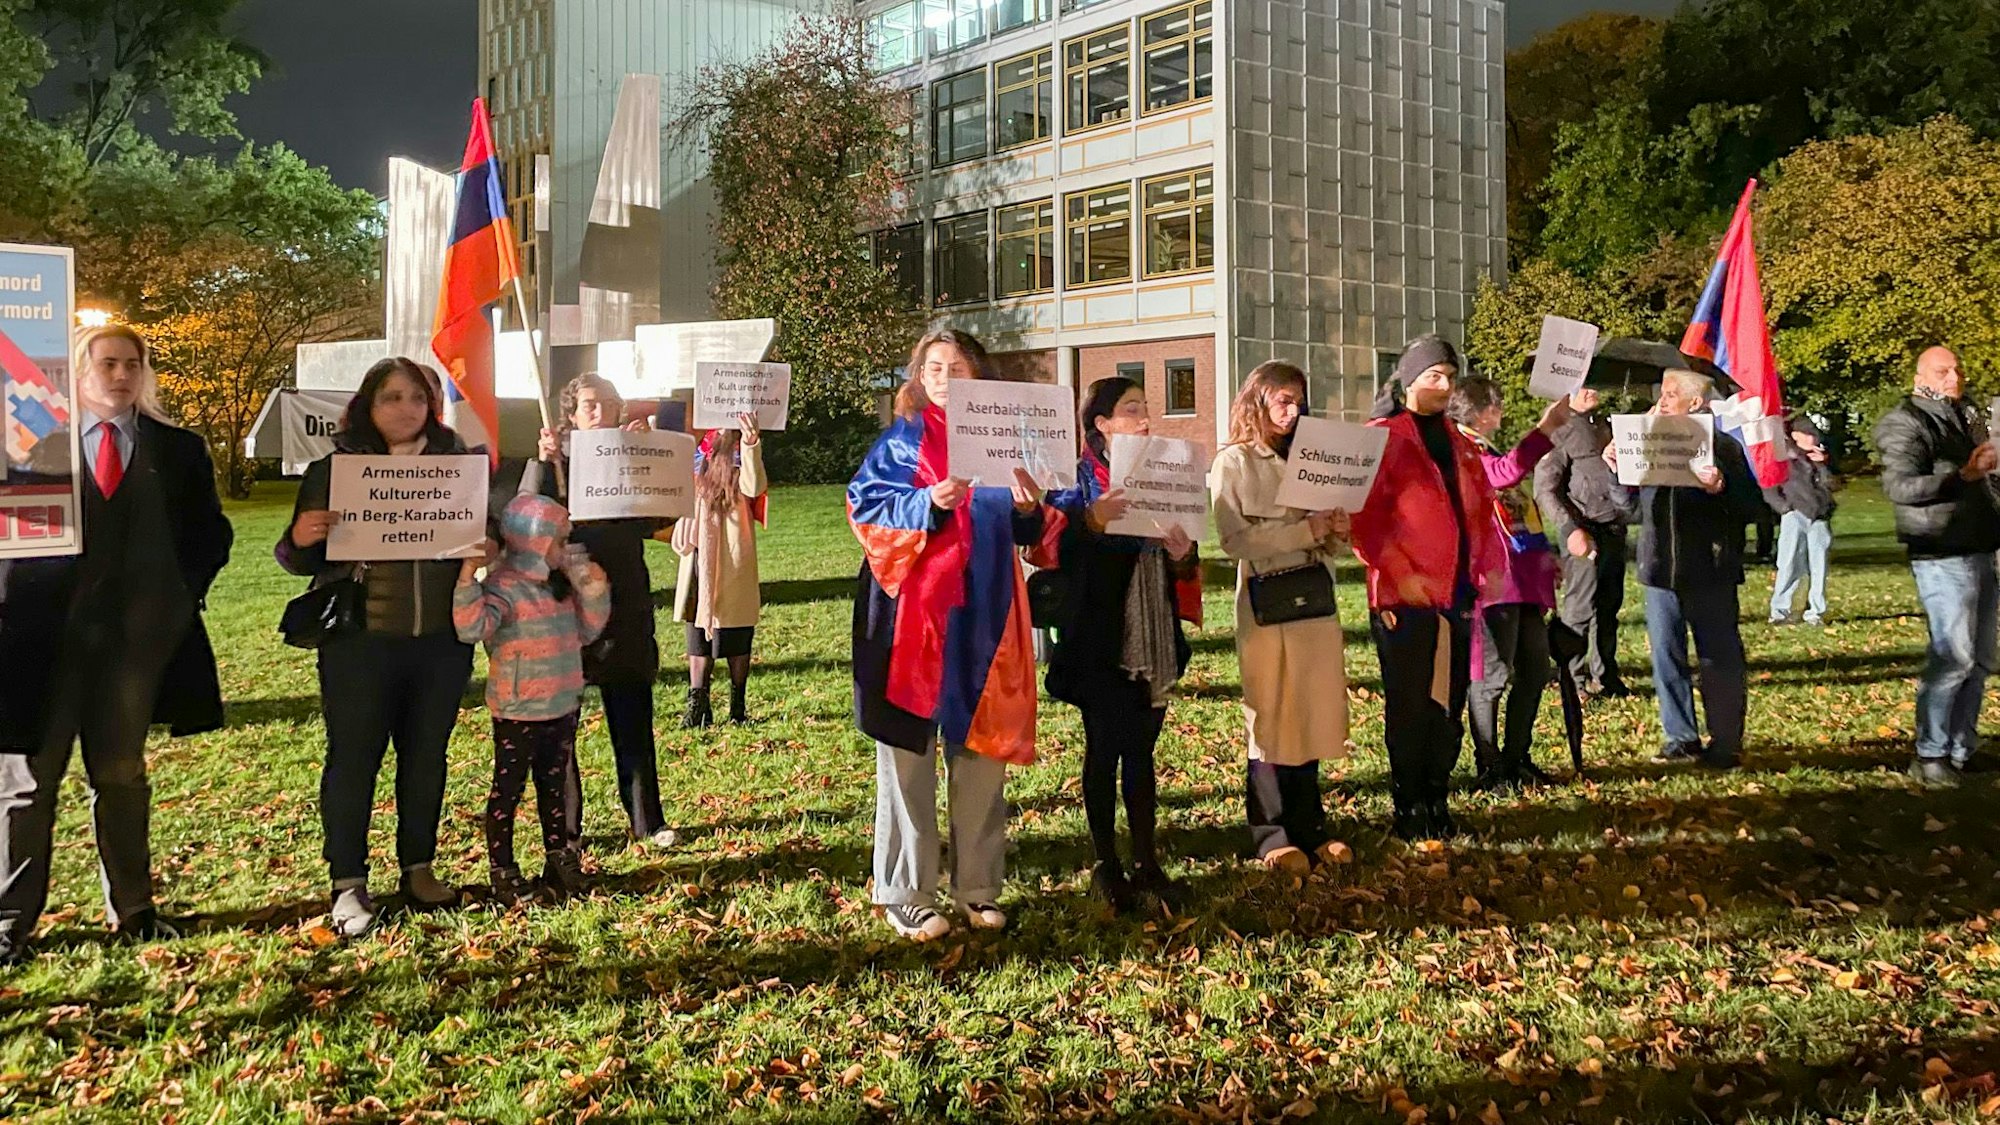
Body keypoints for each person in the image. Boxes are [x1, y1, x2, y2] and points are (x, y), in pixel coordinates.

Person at [0, 324, 232, 963]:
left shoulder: (178, 450)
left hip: (133, 654)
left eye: (133, 363)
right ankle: (9, 926)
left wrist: (182, 597)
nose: (121, 375)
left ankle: (134, 911)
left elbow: (211, 534)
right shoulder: (26, 443)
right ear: (78, 371)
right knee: (25, 786)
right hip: (37, 648)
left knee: (123, 778)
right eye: (107, 363)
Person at [849, 327, 1051, 941]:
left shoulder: (1008, 442)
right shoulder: (901, 443)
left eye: (957, 366)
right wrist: (928, 504)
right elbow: (865, 509)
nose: (944, 376)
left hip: (986, 615)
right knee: (908, 759)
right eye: (934, 367)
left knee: (982, 753)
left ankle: (977, 885)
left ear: (977, 377)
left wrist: (1026, 509)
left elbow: (1033, 534)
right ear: (919, 377)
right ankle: (904, 889)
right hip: (911, 621)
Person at [277, 357, 477, 938]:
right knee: (354, 760)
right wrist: (300, 538)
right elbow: (295, 561)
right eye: (391, 397)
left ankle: (418, 868)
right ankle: (348, 884)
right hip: (358, 644)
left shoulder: (457, 468)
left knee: (426, 757)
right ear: (368, 403)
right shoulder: (335, 469)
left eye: (417, 397)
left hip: (440, 642)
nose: (405, 408)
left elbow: (481, 534)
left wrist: (481, 545)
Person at [1046, 376, 1200, 912]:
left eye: (1146, 408)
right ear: (1102, 425)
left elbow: (1186, 557)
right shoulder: (1076, 481)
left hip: (1154, 631)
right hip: (1101, 641)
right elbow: (1056, 549)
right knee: (1103, 749)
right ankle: (1105, 862)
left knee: (1142, 751)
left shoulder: (1166, 473)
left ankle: (1147, 860)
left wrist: (1182, 552)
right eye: (1131, 409)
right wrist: (1091, 522)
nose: (1145, 419)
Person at [1353, 336, 1505, 841]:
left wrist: (1486, 565)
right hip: (1405, 597)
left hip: (1457, 592)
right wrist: (1400, 572)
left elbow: (1480, 508)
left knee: (1450, 699)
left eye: (1449, 376)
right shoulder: (1384, 437)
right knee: (1410, 702)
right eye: (1433, 375)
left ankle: (1437, 796)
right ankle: (1408, 804)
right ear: (1409, 379)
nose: (1443, 385)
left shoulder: (1459, 442)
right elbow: (1365, 521)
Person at [1209, 361, 1350, 874]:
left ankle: (1311, 825)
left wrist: (1336, 527)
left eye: (1298, 400)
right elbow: (1233, 540)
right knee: (1269, 712)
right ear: (1258, 401)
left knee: (1310, 709)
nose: (1292, 411)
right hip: (1268, 600)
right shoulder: (1235, 463)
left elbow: (1336, 541)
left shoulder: (1313, 459)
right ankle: (1270, 832)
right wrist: (1303, 531)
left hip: (1316, 599)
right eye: (1282, 401)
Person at [528, 374, 678, 850]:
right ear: (571, 414)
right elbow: (523, 519)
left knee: (632, 706)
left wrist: (651, 459)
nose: (599, 411)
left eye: (607, 404)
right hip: (565, 600)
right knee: (562, 719)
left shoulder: (637, 454)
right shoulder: (553, 462)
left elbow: (662, 518)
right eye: (589, 405)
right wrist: (543, 462)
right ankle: (566, 827)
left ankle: (646, 820)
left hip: (625, 595)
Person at [454, 494, 612, 902]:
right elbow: (473, 628)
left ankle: (560, 859)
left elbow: (585, 632)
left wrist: (593, 592)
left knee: (554, 786)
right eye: (560, 541)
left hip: (562, 705)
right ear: (536, 544)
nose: (568, 550)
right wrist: (466, 580)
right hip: (518, 708)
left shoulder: (558, 586)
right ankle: (502, 869)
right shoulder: (503, 587)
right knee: (508, 789)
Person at [1604, 369, 1764, 770]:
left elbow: (1754, 508)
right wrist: (1617, 472)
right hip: (1660, 570)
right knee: (1666, 656)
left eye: (1672, 394)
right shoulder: (1649, 443)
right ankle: (1680, 737)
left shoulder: (1724, 448)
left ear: (1696, 403)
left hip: (1710, 568)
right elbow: (1630, 509)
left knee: (1718, 656)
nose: (1662, 399)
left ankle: (1726, 742)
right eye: (1662, 392)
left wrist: (1720, 487)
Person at [1872, 346, 2000, 787]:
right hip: (1941, 550)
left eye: (1957, 369)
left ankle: (1962, 748)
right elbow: (1900, 487)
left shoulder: (1967, 417)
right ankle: (1930, 753)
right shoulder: (1907, 422)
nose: (1954, 376)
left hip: (1981, 545)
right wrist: (1962, 476)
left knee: (1980, 658)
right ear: (1920, 375)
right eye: (1943, 370)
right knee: (1954, 656)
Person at [1447, 375, 1571, 790]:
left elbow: (1517, 509)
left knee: (1534, 669)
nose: (1499, 413)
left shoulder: (1486, 447)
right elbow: (1502, 476)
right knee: (1491, 677)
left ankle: (1518, 757)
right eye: (1496, 405)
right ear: (1483, 411)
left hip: (1523, 578)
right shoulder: (1460, 448)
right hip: (1492, 581)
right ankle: (1490, 765)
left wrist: (1544, 556)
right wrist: (1545, 429)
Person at [1532, 387, 1635, 698]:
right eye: (1582, 383)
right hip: (1583, 532)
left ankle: (1606, 676)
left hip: (1613, 527)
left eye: (1594, 382)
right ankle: (1572, 679)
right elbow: (1545, 488)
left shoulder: (1607, 425)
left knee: (1609, 607)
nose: (1592, 390)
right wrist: (1569, 528)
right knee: (1579, 608)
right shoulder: (1559, 429)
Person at [671, 413, 768, 727]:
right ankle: (698, 704)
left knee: (738, 631)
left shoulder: (744, 446)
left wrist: (751, 442)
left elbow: (754, 487)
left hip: (732, 550)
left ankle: (737, 707)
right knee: (697, 629)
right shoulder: (702, 445)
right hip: (700, 550)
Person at [1765, 416, 1837, 627]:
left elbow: (1833, 486)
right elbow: (1768, 487)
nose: (1813, 439)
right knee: (1788, 564)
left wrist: (1823, 466)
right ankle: (1779, 610)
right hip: (1795, 515)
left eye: (1815, 435)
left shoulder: (1821, 459)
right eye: (1809, 435)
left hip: (1820, 517)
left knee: (1819, 565)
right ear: (1795, 436)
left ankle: (1816, 611)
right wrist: (1785, 509)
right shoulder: (1783, 457)